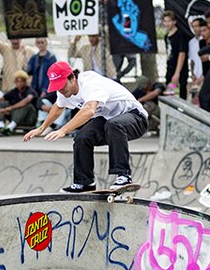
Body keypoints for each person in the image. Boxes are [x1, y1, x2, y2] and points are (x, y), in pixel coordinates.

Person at [23, 61, 148, 193]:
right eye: (57, 87)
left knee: (114, 125)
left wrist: (63, 130)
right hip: (108, 120)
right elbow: (58, 107)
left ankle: (124, 176)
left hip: (136, 118)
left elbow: (89, 110)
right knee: (82, 137)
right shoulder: (64, 91)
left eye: (62, 86)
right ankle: (84, 182)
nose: (61, 90)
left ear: (72, 78)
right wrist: (41, 128)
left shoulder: (90, 83)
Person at [0, 69, 38, 137]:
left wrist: (10, 108)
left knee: (27, 105)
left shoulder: (30, 91)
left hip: (29, 118)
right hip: (16, 117)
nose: (19, 83)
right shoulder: (14, 91)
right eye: (17, 81)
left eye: (21, 81)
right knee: (3, 104)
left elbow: (26, 101)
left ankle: (9, 128)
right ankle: (1, 126)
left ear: (25, 82)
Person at [27, 37, 59, 124]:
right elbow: (29, 70)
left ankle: (45, 121)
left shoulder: (51, 57)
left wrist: (45, 89)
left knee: (41, 100)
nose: (40, 44)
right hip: (35, 85)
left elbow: (50, 75)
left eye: (42, 42)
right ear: (36, 44)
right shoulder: (34, 57)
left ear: (46, 43)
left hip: (46, 86)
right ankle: (40, 120)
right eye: (38, 42)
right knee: (36, 101)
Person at [161, 11, 188, 99]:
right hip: (170, 68)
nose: (167, 23)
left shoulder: (180, 35)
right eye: (165, 21)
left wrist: (177, 73)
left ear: (174, 22)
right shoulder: (166, 36)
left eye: (169, 21)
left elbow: (182, 54)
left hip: (179, 70)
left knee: (180, 93)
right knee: (169, 92)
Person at [188, 17, 206, 104]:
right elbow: (192, 61)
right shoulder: (191, 42)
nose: (195, 29)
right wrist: (193, 75)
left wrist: (203, 76)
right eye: (193, 26)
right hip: (196, 77)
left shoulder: (206, 40)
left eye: (197, 26)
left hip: (205, 76)